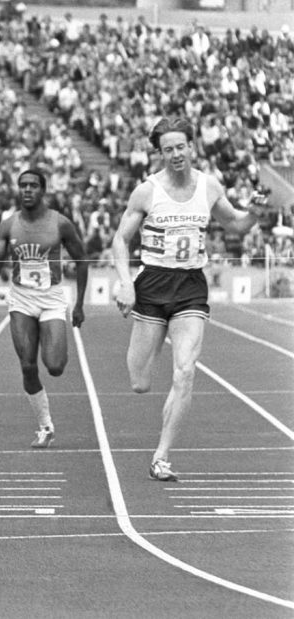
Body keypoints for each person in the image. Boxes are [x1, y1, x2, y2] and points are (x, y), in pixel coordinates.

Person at [111, 116, 269, 482]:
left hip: (190, 288)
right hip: (152, 284)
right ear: (160, 154)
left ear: (191, 147)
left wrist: (256, 211)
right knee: (140, 382)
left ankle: (161, 457)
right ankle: (158, 339)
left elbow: (237, 225)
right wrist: (125, 283)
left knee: (185, 372)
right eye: (168, 149)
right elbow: (121, 239)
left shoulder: (209, 186)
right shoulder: (147, 192)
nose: (176, 154)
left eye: (181, 146)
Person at [0, 169, 88, 449]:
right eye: (23, 186)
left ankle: (49, 340)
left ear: (43, 190)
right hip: (21, 299)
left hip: (52, 298)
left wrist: (79, 304)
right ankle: (45, 426)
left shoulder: (60, 223)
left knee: (54, 366)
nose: (27, 190)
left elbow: (82, 260)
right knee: (28, 365)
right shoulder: (8, 225)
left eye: (33, 186)